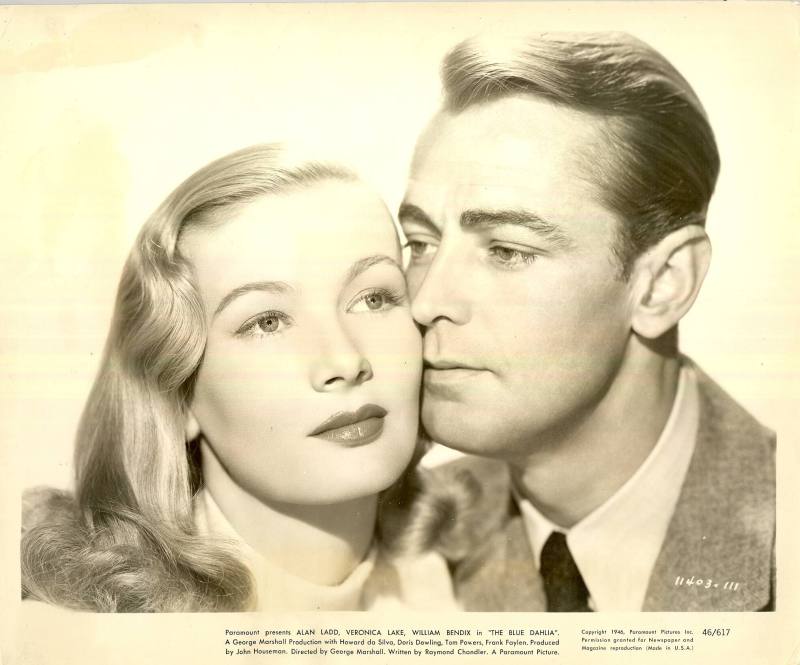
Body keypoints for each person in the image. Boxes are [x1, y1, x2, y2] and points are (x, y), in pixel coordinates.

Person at [399, 32, 775, 612]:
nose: (425, 303)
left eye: (506, 250)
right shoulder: (397, 543)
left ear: (664, 283)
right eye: (421, 244)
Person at [21, 143, 456, 612]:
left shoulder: (462, 577)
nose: (345, 361)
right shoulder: (66, 630)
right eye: (267, 322)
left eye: (373, 299)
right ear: (178, 395)